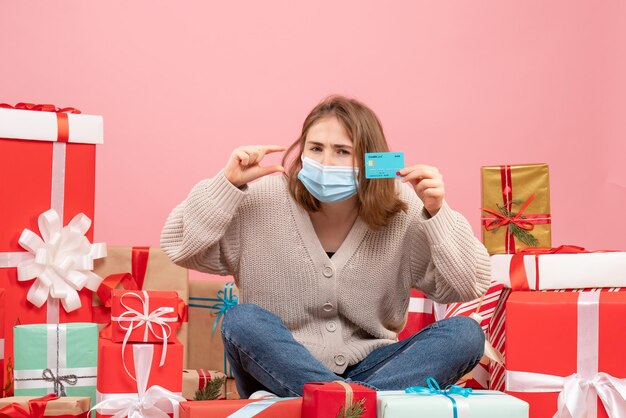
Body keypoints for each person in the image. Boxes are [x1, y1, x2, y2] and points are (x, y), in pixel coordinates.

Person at [161, 95, 491, 398]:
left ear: (370, 160)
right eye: (316, 148)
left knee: (466, 334)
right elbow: (179, 246)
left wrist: (437, 212)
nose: (327, 162)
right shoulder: (261, 200)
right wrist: (226, 185)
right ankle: (354, 405)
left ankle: (337, 404)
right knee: (242, 320)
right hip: (279, 369)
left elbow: (469, 283)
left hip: (374, 366)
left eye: (342, 151)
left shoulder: (402, 208)